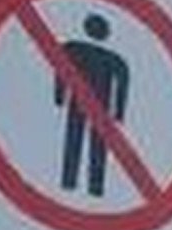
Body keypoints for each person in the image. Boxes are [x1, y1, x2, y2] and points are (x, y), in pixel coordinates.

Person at [54, 11, 133, 199]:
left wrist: (60, 95)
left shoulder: (75, 48)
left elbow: (122, 84)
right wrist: (118, 112)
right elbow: (61, 69)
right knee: (84, 143)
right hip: (94, 105)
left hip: (90, 105)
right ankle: (83, 186)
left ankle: (82, 185)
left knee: (80, 142)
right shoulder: (111, 58)